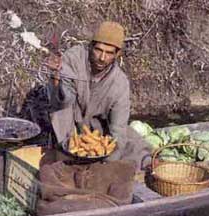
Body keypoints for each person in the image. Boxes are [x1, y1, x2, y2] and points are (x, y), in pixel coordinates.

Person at [45, 21, 150, 170]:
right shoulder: (73, 58)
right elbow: (64, 100)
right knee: (61, 118)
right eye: (98, 50)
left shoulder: (120, 83)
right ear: (90, 46)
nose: (102, 57)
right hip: (68, 116)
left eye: (109, 53)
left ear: (117, 54)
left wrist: (106, 161)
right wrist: (56, 80)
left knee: (129, 139)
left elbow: (118, 128)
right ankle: (66, 153)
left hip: (94, 129)